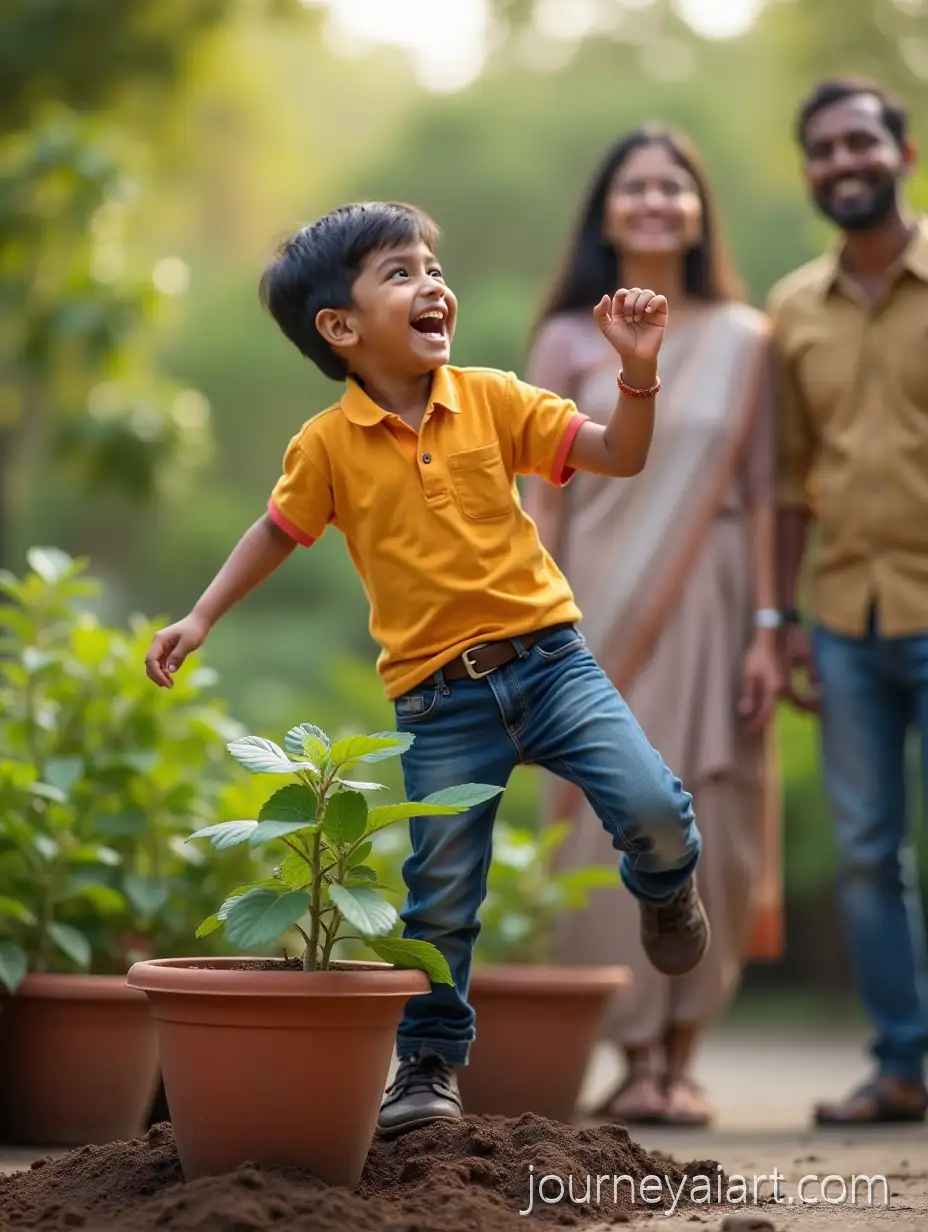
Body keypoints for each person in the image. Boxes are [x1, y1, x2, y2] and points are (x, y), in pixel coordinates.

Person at [143, 200, 709, 1138]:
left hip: (552, 663)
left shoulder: (493, 397)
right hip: (439, 701)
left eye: (431, 269)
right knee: (441, 896)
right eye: (400, 273)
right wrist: (202, 614)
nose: (432, 285)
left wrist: (637, 374)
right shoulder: (327, 445)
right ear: (340, 327)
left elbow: (619, 454)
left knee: (651, 807)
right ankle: (431, 1062)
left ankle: (668, 882)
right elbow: (278, 529)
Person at [521, 124, 783, 1127]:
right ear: (604, 212)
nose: (654, 201)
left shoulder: (748, 338)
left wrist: (767, 624)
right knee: (603, 823)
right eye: (633, 186)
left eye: (674, 185)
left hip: (716, 601)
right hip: (592, 608)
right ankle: (631, 1048)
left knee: (715, 814)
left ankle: (683, 1052)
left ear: (698, 211)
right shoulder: (563, 340)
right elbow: (543, 496)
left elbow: (763, 495)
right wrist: (534, 615)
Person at [771, 75, 928, 1126]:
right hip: (841, 614)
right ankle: (903, 1064)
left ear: (901, 153)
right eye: (821, 149)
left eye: (858, 141)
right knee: (867, 853)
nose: (842, 162)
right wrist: (774, 622)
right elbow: (787, 479)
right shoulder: (788, 311)